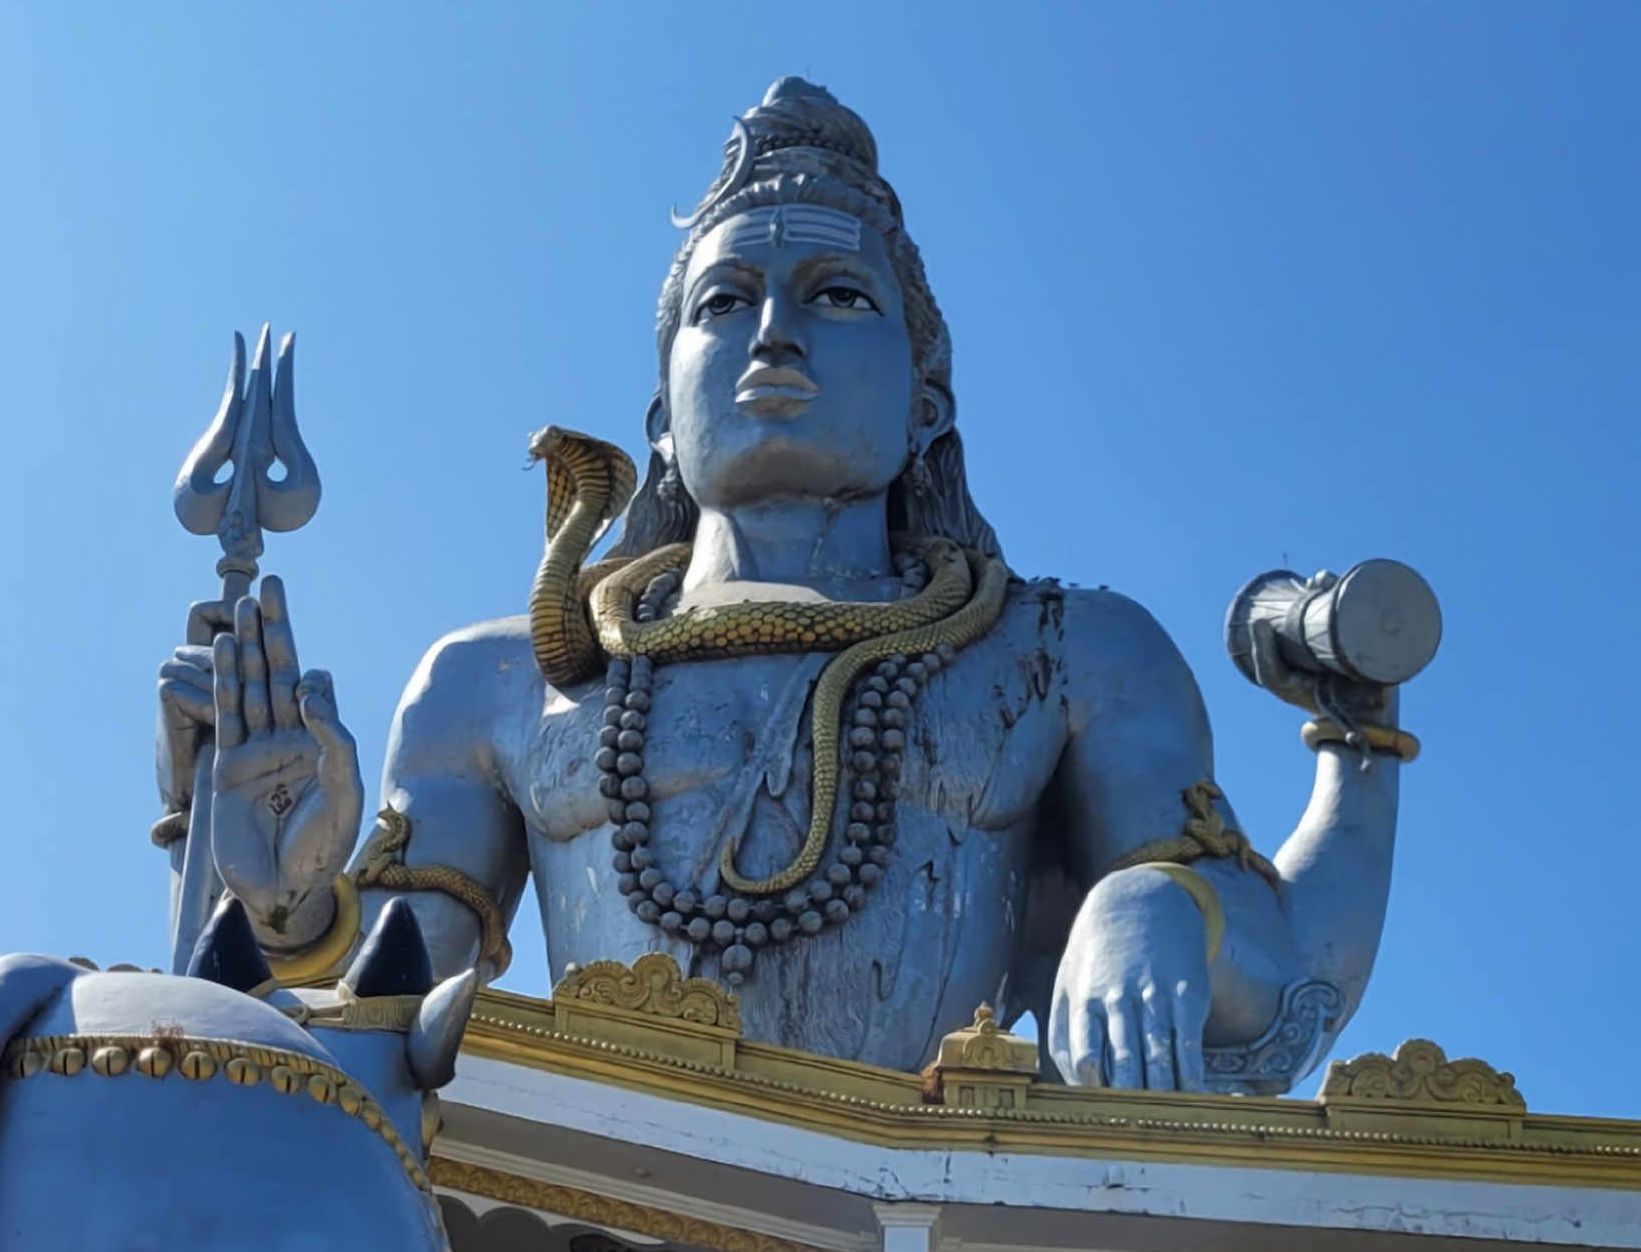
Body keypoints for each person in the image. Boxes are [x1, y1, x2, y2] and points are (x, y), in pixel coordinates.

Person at [163, 78, 1415, 1088]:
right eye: (724, 301)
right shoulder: (494, 684)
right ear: (661, 417)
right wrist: (283, 904)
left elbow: (1281, 975)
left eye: (834, 295)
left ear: (925, 400)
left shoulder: (1063, 654)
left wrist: (1163, 902)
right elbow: (369, 1030)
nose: (772, 333)